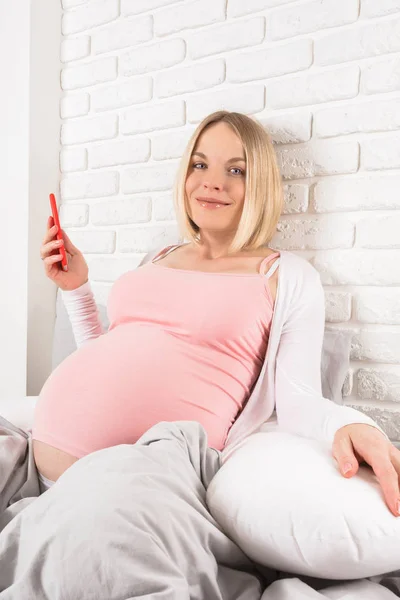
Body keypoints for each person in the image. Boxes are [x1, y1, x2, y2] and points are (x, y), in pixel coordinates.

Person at [34, 111, 400, 518]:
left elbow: (299, 400)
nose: (212, 181)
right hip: (48, 473)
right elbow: (101, 358)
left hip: (135, 491)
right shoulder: (158, 257)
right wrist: (77, 289)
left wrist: (351, 424)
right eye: (200, 164)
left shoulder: (287, 276)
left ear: (259, 184)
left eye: (237, 170)